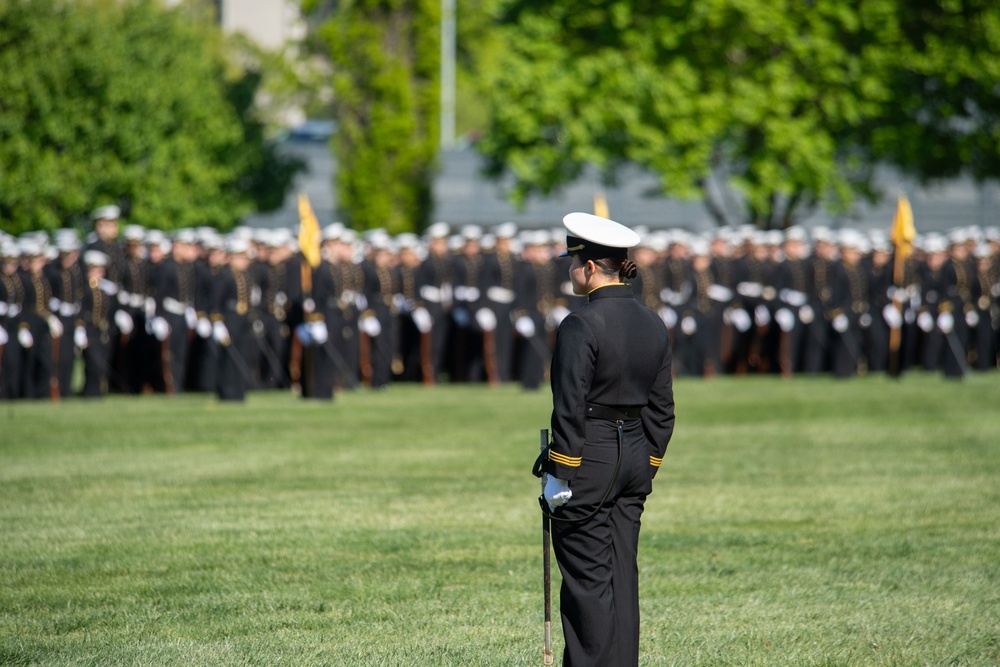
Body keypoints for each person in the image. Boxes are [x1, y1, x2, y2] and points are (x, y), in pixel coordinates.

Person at [536, 212, 675, 667]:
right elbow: (662, 408)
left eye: (573, 261)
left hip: (588, 458)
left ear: (591, 267)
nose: (569, 270)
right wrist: (647, 462)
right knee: (621, 579)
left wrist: (561, 471)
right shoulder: (652, 320)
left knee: (587, 586)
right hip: (634, 453)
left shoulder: (581, 323)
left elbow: (569, 407)